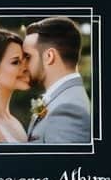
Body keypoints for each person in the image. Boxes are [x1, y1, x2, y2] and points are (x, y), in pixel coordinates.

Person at [22, 16, 91, 144]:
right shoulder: (63, 98)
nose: (23, 65)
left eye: (28, 56)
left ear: (49, 56)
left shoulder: (68, 109)